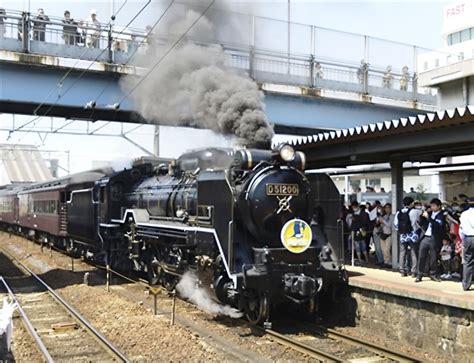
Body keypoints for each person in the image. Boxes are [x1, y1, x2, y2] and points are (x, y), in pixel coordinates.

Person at [416, 198, 447, 282]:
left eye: (434, 206)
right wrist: (422, 217)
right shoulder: (429, 212)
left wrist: (429, 218)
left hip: (435, 238)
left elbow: (438, 225)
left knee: (434, 257)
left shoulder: (442, 215)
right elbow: (421, 223)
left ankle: (433, 274)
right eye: (431, 206)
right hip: (425, 237)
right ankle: (419, 274)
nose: (432, 207)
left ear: (439, 206)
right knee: (422, 255)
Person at [394, 197, 420, 277]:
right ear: (411, 203)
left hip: (403, 235)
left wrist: (401, 231)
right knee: (413, 252)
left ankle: (402, 270)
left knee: (402, 252)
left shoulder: (399, 212)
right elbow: (419, 220)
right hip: (413, 234)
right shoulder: (415, 211)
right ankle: (413, 271)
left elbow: (396, 225)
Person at [459, 197, 474, 291]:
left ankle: (466, 284)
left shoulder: (463, 214)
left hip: (468, 238)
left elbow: (461, 230)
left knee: (468, 262)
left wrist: (463, 240)